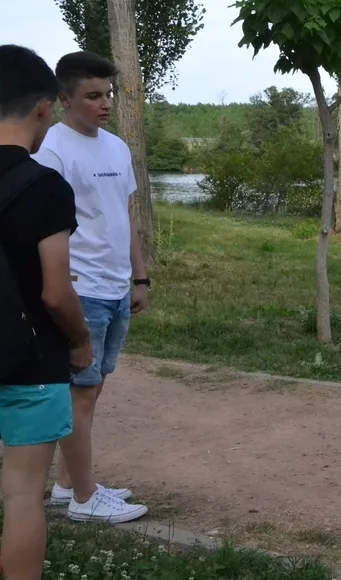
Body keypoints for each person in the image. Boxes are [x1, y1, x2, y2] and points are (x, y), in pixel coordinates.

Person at [33, 50, 149, 523]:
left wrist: (139, 276)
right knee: (79, 394)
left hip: (116, 286)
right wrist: (60, 283)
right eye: (93, 96)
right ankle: (85, 498)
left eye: (109, 94)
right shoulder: (51, 150)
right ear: (64, 99)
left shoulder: (117, 148)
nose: (105, 104)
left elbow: (124, 215)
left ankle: (67, 485)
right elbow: (43, 225)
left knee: (93, 388)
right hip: (81, 290)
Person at [0, 44, 92, 580]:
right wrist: (80, 340)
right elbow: (56, 293)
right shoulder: (45, 186)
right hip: (31, 363)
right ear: (41, 108)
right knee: (22, 494)